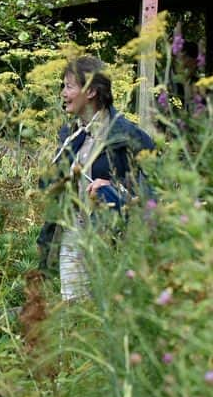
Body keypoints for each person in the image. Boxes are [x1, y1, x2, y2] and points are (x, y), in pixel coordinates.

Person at [37, 56, 154, 300]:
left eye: (69, 86)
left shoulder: (125, 133)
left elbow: (158, 181)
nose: (63, 93)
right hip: (74, 230)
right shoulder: (70, 134)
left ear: (90, 91)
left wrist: (117, 188)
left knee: (105, 308)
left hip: (112, 238)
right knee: (73, 307)